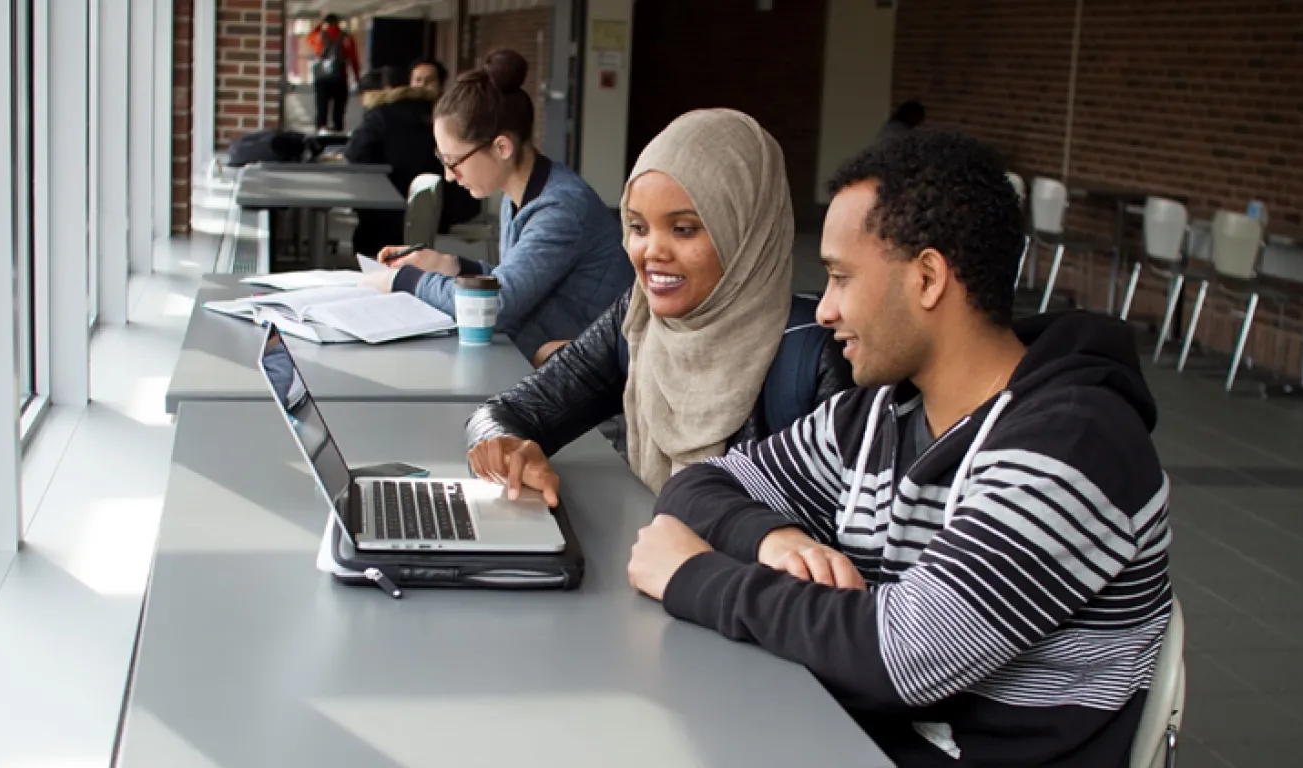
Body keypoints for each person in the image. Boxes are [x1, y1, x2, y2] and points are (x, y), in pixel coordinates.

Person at [626, 131, 1172, 766]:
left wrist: (693, 577)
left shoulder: (1075, 444)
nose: (824, 310)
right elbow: (697, 487)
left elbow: (905, 654)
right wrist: (774, 539)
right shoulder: (880, 412)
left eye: (839, 276)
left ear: (929, 278)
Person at [462, 108, 853, 502]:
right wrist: (504, 449)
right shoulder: (637, 321)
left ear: (746, 231)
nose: (651, 252)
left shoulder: (820, 356)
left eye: (683, 229)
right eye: (637, 227)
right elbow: (507, 412)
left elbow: (836, 539)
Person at [363, 49, 632, 362]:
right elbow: (520, 280)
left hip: (590, 378)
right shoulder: (518, 195)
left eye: (454, 161)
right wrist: (449, 266)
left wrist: (403, 280)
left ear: (502, 147)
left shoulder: (561, 208)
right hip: (547, 358)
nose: (449, 176)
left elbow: (496, 305)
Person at [345, 65, 441, 256]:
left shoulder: (381, 113)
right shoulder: (436, 114)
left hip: (383, 214)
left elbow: (356, 152)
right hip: (439, 207)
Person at [307, 14, 361, 133]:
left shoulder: (318, 36)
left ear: (325, 24)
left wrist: (319, 25)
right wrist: (357, 78)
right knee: (339, 111)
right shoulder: (346, 37)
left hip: (322, 78)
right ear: (338, 23)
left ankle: (321, 132)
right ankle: (338, 133)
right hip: (340, 78)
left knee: (322, 109)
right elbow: (353, 59)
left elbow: (309, 38)